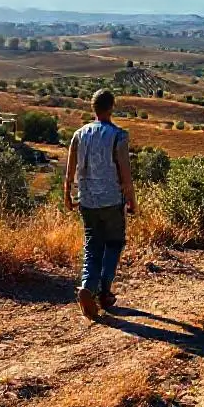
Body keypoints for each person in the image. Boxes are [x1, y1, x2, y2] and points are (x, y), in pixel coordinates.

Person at [63, 89, 136, 319]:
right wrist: (132, 201)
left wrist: (67, 194)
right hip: (112, 200)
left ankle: (87, 285)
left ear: (92, 108)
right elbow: (125, 174)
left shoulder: (79, 134)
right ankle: (104, 293)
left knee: (93, 245)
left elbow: (70, 170)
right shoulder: (118, 136)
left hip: (86, 200)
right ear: (111, 107)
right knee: (114, 244)